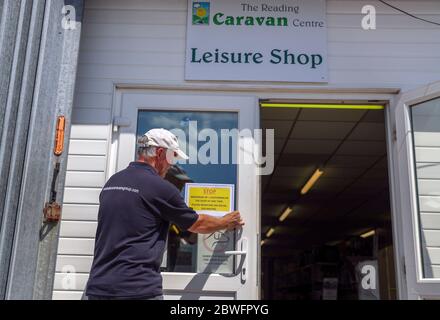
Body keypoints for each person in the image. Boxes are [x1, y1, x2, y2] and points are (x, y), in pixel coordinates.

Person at [83, 128, 244, 300]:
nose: (172, 164)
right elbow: (198, 224)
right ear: (160, 153)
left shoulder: (113, 182)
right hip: (136, 290)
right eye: (172, 156)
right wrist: (225, 221)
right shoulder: (160, 188)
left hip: (97, 288)